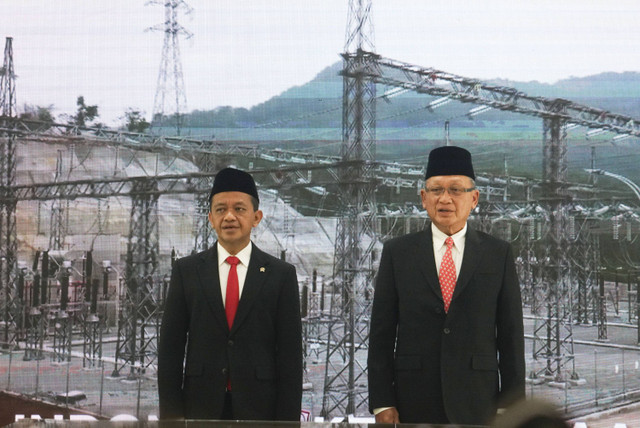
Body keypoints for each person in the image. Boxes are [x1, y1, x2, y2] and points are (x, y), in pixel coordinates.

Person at [367, 146, 525, 425]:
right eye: (436, 190)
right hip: (412, 401)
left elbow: (511, 337)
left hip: (479, 403)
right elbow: (381, 333)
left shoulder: (497, 254)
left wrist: (511, 406)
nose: (445, 199)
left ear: (474, 198)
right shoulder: (397, 253)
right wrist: (382, 402)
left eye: (455, 190)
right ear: (423, 198)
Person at [158, 167, 303, 421]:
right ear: (210, 218)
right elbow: (171, 350)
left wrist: (287, 422)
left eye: (239, 209)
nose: (229, 217)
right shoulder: (187, 271)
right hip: (200, 409)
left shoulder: (281, 275)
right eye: (221, 209)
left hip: (260, 411)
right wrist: (172, 416)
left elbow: (290, 358)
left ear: (256, 217)